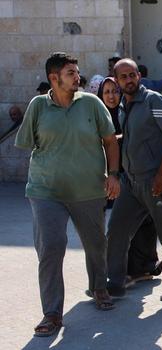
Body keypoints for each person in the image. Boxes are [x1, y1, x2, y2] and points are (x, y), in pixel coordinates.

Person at [14, 52, 120, 336]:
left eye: (77, 72)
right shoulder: (38, 106)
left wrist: (114, 174)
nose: (77, 77)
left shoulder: (92, 103)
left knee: (96, 243)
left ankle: (99, 287)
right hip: (45, 190)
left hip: (88, 190)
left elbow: (110, 141)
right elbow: (27, 143)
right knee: (50, 247)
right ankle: (52, 312)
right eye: (71, 73)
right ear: (54, 78)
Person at [106, 58, 162, 302]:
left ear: (138, 76)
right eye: (123, 77)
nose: (129, 80)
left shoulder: (153, 99)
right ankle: (114, 282)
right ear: (116, 80)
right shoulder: (125, 104)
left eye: (132, 75)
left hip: (156, 179)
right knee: (117, 229)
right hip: (131, 182)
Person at [97, 77, 162, 287]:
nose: (111, 96)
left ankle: (143, 267)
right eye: (106, 91)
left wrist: (114, 139)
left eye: (115, 91)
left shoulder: (129, 111)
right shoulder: (99, 116)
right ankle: (120, 271)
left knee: (142, 225)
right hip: (110, 180)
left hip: (135, 176)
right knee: (118, 226)